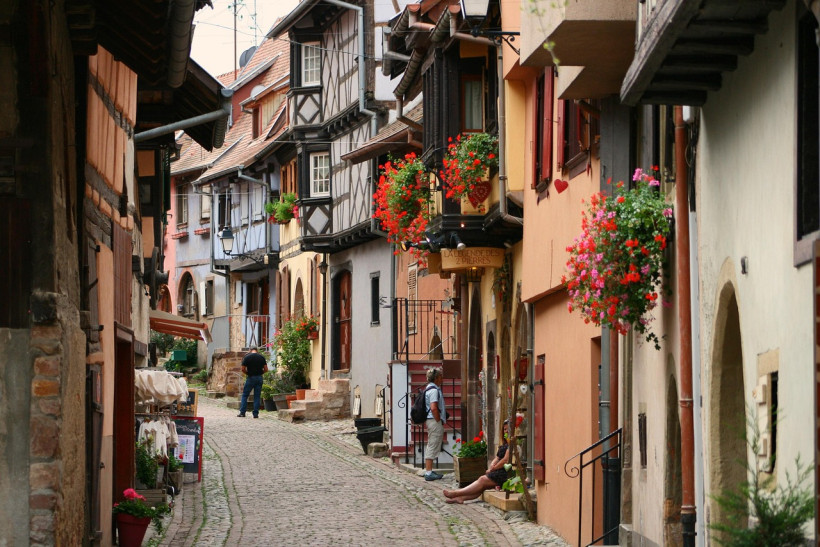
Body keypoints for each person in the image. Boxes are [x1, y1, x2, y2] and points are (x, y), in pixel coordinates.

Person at [443, 421, 511, 504]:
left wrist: (493, 468)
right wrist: (492, 466)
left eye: (508, 429)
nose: (506, 431)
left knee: (482, 480)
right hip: (498, 471)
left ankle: (455, 493)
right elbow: (497, 457)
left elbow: (505, 460)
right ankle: (461, 498)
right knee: (481, 487)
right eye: (505, 429)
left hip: (505, 474)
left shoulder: (511, 444)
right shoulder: (504, 444)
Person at [423, 367, 446, 481]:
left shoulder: (430, 388)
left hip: (431, 420)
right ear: (436, 378)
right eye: (441, 376)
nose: (442, 378)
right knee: (432, 444)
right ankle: (428, 472)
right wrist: (438, 420)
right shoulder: (434, 390)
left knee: (432, 443)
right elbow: (433, 407)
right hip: (433, 420)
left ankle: (429, 471)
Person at [237, 347, 268, 418]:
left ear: (250, 350)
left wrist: (248, 373)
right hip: (259, 377)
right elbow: (266, 369)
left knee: (245, 395)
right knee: (257, 396)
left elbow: (243, 369)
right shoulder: (261, 357)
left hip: (250, 377)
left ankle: (242, 412)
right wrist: (260, 373)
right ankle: (255, 414)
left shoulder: (247, 357)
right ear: (257, 351)